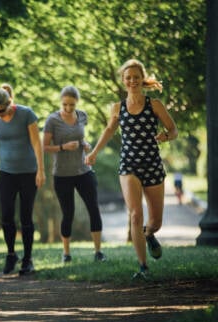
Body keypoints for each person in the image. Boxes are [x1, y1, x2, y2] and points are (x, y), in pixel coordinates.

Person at [85, 59, 177, 276]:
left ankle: (149, 234)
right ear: (123, 81)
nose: (132, 81)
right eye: (128, 77)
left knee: (155, 222)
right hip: (129, 165)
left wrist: (166, 136)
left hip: (153, 164)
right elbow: (109, 130)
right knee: (135, 214)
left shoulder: (154, 104)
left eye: (136, 77)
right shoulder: (118, 108)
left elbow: (173, 130)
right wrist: (94, 152)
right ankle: (143, 267)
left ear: (141, 79)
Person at [0, 84, 46, 276]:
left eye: (1, 110)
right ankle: (11, 254)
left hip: (29, 171)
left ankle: (27, 259)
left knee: (25, 217)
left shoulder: (26, 114)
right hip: (6, 172)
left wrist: (41, 170)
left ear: (9, 103)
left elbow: (36, 143)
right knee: (6, 217)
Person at [43, 86, 106, 263]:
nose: (69, 108)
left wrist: (85, 145)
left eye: (72, 105)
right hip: (62, 174)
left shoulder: (82, 116)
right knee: (68, 213)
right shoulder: (52, 120)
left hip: (83, 170)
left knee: (94, 208)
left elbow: (81, 137)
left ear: (77, 102)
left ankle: (98, 252)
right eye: (65, 105)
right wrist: (63, 147)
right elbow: (44, 147)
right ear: (61, 102)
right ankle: (66, 253)